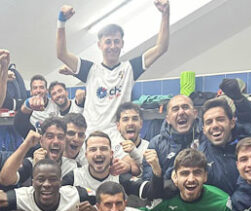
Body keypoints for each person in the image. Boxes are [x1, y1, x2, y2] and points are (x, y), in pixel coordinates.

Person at [56, 0, 170, 134]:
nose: (112, 46)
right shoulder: (90, 70)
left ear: (122, 44)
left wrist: (165, 14)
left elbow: (161, 48)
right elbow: (61, 54)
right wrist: (61, 21)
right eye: (108, 42)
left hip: (118, 137)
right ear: (100, 45)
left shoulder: (130, 68)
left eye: (116, 42)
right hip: (92, 135)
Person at [61, 131, 148, 199]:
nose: (98, 153)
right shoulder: (74, 177)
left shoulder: (119, 176)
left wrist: (155, 168)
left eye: (103, 149)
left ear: (111, 154)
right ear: (86, 155)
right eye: (93, 149)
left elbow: (151, 191)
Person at [0, 117, 76, 186]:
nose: (56, 141)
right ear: (41, 141)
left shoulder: (73, 167)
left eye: (60, 137)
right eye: (50, 136)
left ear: (65, 141)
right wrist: (26, 145)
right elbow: (5, 180)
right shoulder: (31, 163)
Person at [14, 77, 85, 135]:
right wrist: (27, 105)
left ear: (46, 91)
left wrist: (81, 97)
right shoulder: (27, 108)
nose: (38, 90)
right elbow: (19, 123)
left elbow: (74, 105)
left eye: (41, 87)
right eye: (35, 88)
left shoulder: (56, 104)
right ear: (31, 92)